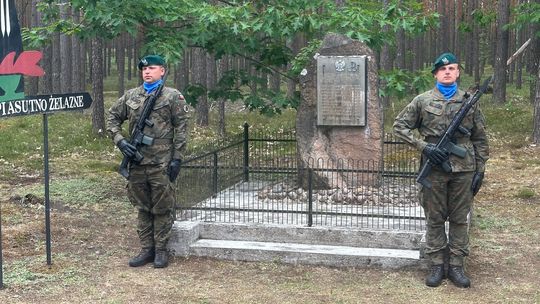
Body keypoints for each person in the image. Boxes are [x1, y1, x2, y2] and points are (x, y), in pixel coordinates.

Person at [393, 52, 489, 288]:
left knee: (459, 219)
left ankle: (456, 266)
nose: (448, 72)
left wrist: (480, 168)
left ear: (458, 73)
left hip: (464, 169)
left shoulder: (469, 102)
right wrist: (424, 146)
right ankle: (436, 264)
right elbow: (399, 126)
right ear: (436, 73)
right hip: (434, 168)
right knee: (434, 217)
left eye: (452, 68)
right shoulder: (422, 101)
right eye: (443, 69)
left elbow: (480, 138)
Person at [106, 54, 188, 268]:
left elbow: (181, 129)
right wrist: (120, 140)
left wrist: (177, 159)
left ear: (162, 70)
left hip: (161, 162)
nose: (147, 72)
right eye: (144, 69)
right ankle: (146, 249)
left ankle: (161, 250)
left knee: (162, 206)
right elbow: (112, 117)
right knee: (142, 206)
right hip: (136, 163)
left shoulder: (172, 97)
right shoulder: (131, 96)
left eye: (152, 68)